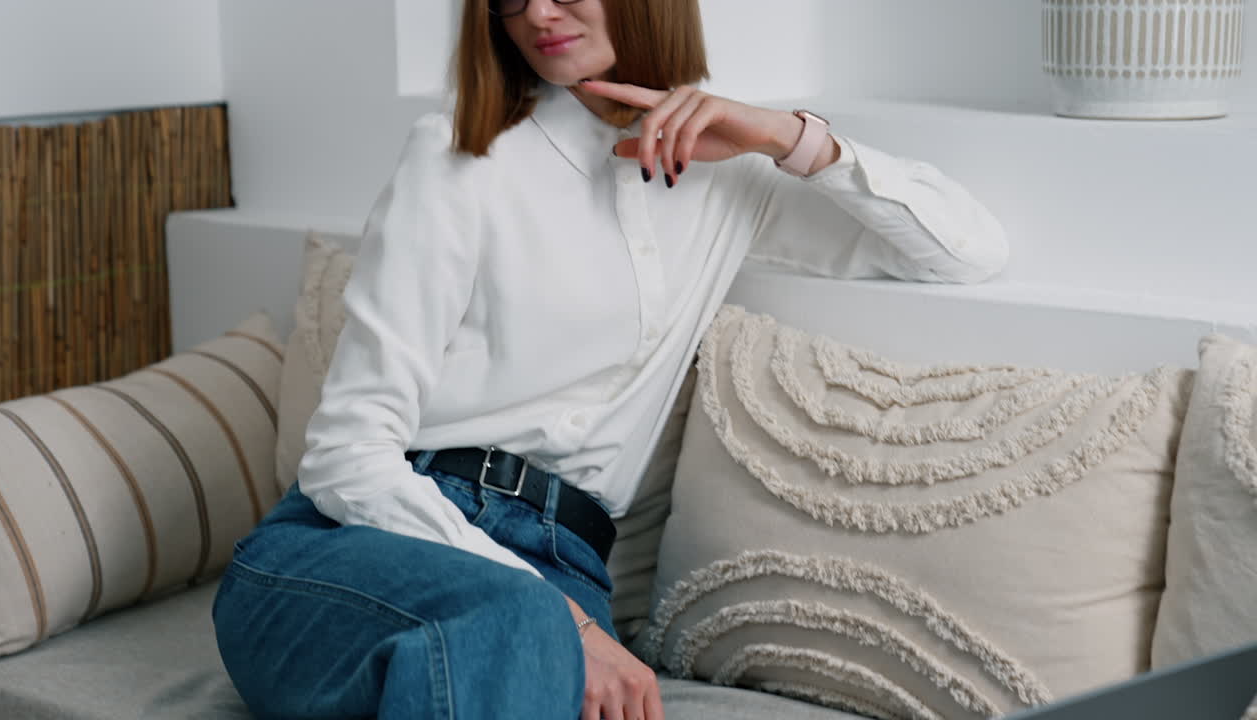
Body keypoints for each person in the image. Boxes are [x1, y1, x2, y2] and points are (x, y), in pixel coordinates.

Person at [211, 0, 1008, 718]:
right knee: (514, 626)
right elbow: (346, 457)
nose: (537, 14)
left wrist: (785, 136)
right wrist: (565, 622)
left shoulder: (729, 176)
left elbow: (966, 251)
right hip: (364, 547)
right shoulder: (460, 155)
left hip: (566, 561)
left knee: (508, 648)